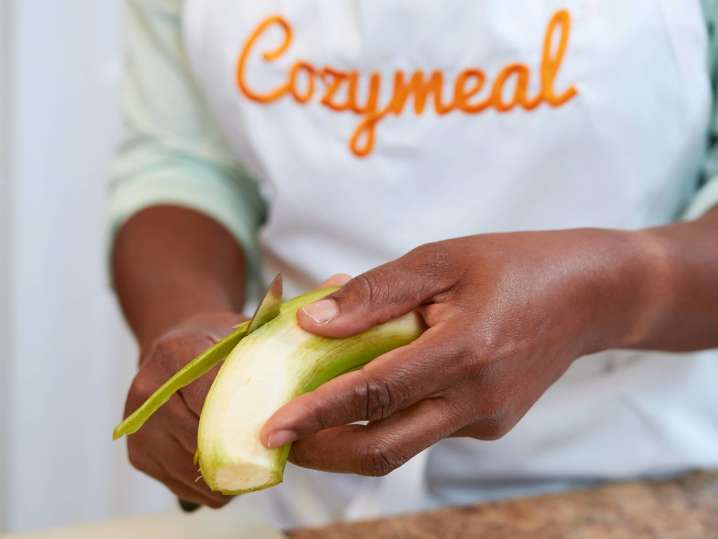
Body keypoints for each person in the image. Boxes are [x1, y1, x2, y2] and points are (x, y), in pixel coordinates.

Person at [110, 0, 718, 529]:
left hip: (640, 479)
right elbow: (184, 166)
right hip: (312, 496)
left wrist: (600, 294)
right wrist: (185, 327)